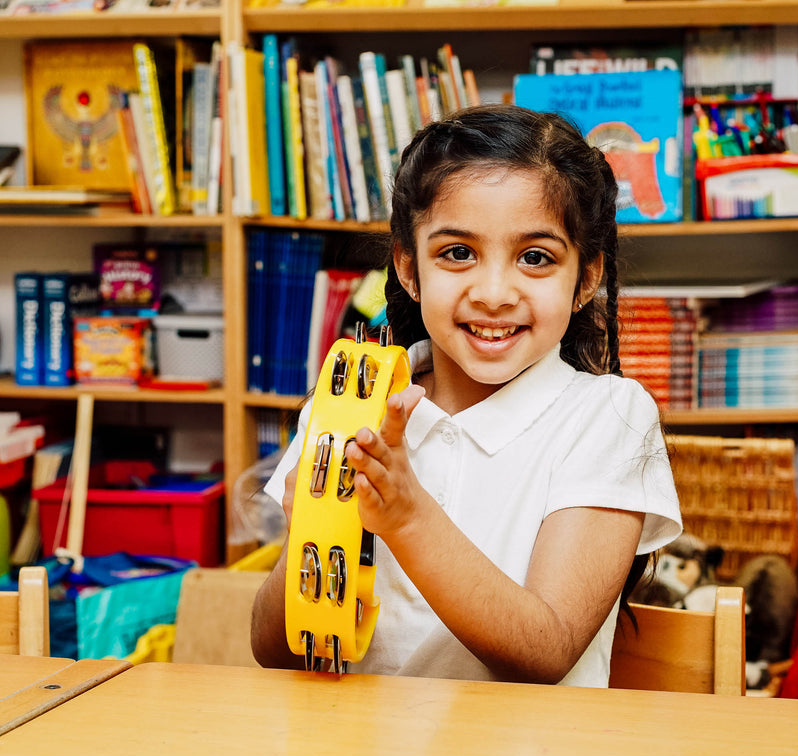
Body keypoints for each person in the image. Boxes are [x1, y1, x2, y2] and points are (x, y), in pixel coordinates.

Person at [251, 104, 682, 687]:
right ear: (409, 267)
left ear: (584, 278)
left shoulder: (610, 417)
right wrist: (315, 522)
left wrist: (406, 516)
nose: (494, 293)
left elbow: (547, 649)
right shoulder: (352, 400)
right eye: (458, 253)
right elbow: (273, 649)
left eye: (535, 257)